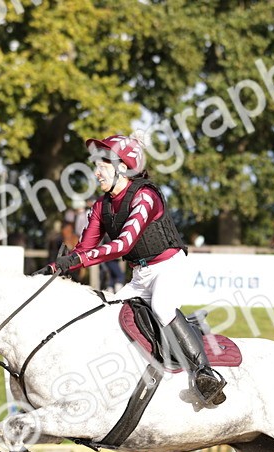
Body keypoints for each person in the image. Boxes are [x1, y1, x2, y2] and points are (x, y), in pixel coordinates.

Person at [44, 132, 227, 406]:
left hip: (169, 267)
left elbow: (122, 244)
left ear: (122, 167)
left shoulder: (146, 196)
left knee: (163, 308)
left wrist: (76, 261)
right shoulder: (101, 206)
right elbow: (84, 250)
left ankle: (205, 374)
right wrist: (55, 269)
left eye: (101, 167)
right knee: (105, 312)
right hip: (140, 276)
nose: (96, 174)